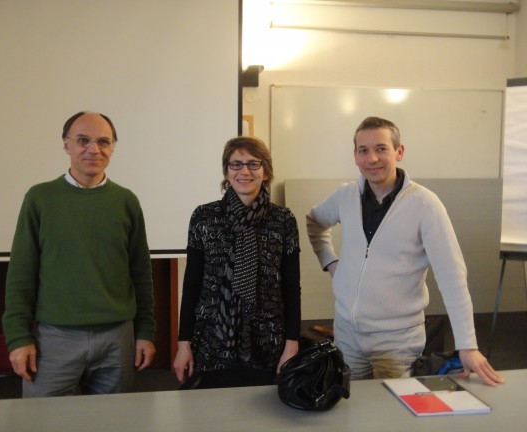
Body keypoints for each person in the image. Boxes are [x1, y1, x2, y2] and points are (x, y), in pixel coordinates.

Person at [306, 116, 504, 386]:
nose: (372, 158)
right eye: (363, 150)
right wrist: (330, 262)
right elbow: (314, 222)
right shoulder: (345, 195)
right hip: (347, 335)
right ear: (355, 156)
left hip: (396, 343)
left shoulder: (425, 205)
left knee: (391, 415)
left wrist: (467, 344)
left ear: (399, 152)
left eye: (381, 148)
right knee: (350, 412)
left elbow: (452, 277)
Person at [2, 111, 156, 397]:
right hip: (54, 339)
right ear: (66, 145)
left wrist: (145, 331)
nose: (93, 149)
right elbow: (21, 274)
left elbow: (140, 273)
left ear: (112, 147)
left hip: (117, 338)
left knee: (113, 423)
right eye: (83, 140)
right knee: (43, 422)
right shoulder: (40, 198)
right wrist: (18, 337)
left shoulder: (126, 201)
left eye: (103, 142)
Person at [173, 136, 301, 388]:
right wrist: (183, 343)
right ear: (226, 171)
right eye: (236, 164)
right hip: (212, 337)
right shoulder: (204, 216)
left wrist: (292, 342)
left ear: (266, 172)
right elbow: (192, 284)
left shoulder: (283, 220)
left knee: (263, 418)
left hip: (267, 339)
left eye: (254, 164)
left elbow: (291, 287)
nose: (244, 171)